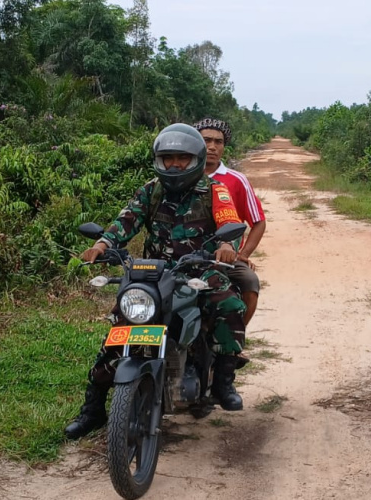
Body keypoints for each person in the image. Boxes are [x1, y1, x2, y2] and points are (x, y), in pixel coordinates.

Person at [64, 123, 248, 441]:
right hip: (154, 271)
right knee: (118, 330)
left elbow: (229, 219)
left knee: (230, 303)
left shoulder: (213, 190)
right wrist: (103, 245)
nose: (174, 164)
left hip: (199, 269)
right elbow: (128, 218)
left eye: (182, 158)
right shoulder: (152, 189)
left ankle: (223, 380)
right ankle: (93, 409)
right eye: (168, 158)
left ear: (196, 159)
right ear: (158, 160)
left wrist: (227, 245)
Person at [193, 118, 266, 326]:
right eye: (206, 140)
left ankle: (235, 339)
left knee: (250, 282)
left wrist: (243, 255)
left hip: (225, 256)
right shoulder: (180, 175)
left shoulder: (236, 180)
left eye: (219, 142)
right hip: (182, 253)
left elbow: (258, 221)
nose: (212, 147)